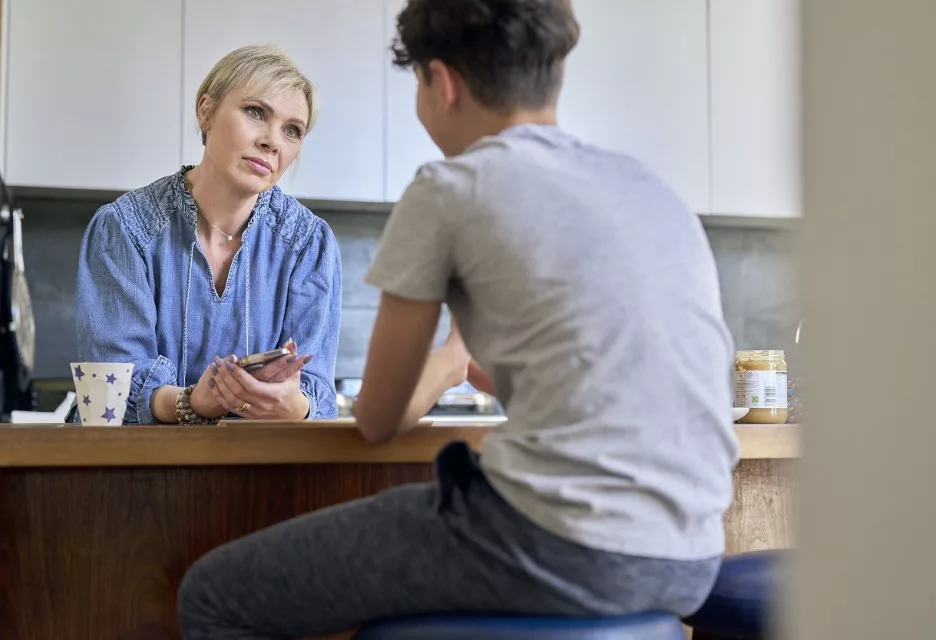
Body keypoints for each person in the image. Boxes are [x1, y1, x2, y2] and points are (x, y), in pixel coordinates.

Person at [176, 0, 739, 637]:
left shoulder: (450, 188)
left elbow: (379, 419)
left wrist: (451, 358)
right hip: (692, 555)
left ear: (440, 84)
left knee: (213, 594)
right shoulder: (648, 188)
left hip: (557, 545)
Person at [73, 44, 341, 425]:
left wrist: (292, 406)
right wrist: (194, 402)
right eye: (255, 112)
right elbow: (111, 393)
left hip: (261, 472)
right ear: (206, 111)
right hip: (137, 472)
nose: (272, 141)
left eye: (292, 131)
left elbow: (317, 396)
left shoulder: (309, 245)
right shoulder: (124, 229)